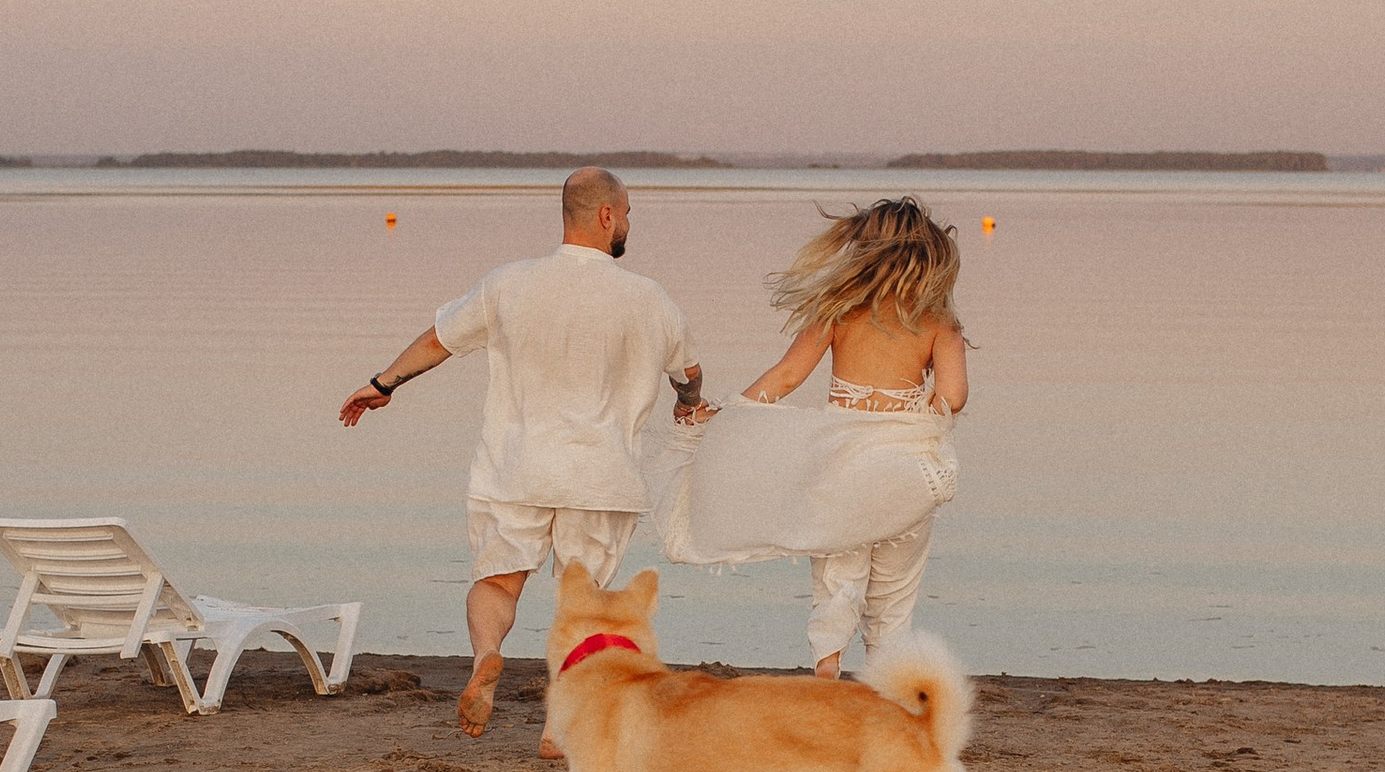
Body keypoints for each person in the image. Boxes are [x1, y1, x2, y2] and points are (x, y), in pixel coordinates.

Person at [339, 166, 706, 735]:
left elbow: (439, 341)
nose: (629, 222)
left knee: (497, 582)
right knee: (583, 601)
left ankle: (487, 654)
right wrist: (689, 400)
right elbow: (688, 371)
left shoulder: (508, 283)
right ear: (606, 215)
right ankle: (558, 730)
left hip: (516, 469)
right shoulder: (648, 297)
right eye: (628, 212)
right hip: (602, 477)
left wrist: (383, 384)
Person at [651, 194, 968, 676]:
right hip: (902, 471)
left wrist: (728, 414)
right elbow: (954, 396)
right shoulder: (939, 323)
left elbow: (785, 377)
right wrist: (918, 412)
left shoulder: (839, 311)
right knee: (894, 593)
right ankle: (885, 685)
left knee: (838, 577)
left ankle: (827, 667)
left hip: (840, 468)